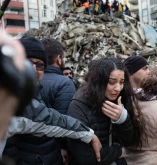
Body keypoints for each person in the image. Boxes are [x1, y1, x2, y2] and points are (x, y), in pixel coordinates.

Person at [3, 36, 101, 165]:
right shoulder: (10, 100)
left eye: (40, 65)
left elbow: (51, 119)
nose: (33, 69)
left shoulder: (35, 93)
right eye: (27, 62)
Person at [67, 57, 143, 165]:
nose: (118, 88)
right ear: (98, 81)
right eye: (112, 82)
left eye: (121, 82)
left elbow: (129, 141)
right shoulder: (79, 106)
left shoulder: (120, 100)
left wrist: (123, 120)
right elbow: (86, 157)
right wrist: (118, 150)